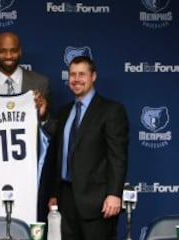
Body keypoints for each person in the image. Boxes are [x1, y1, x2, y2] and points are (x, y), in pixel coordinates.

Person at [0, 31, 56, 221]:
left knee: (26, 223)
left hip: (27, 174)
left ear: (20, 52)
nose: (8, 56)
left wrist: (43, 116)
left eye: (13, 51)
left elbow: (52, 131)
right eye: (3, 51)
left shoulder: (40, 83)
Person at [47, 56, 129, 240]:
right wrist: (54, 193)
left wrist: (114, 194)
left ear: (93, 76)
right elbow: (59, 156)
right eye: (72, 75)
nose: (76, 79)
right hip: (65, 199)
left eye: (82, 74)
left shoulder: (111, 110)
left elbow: (117, 156)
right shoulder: (63, 112)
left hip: (98, 202)